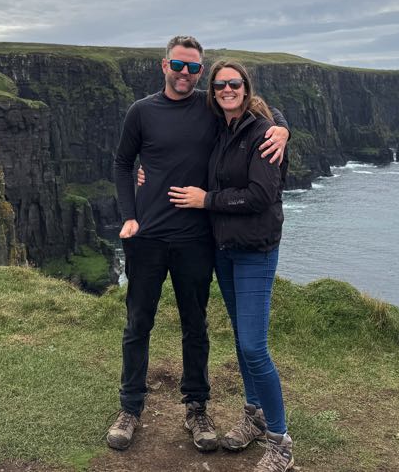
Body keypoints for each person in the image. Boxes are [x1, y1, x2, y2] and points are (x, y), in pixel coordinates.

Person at [107, 36, 289, 453]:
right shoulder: (142, 111)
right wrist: (129, 215)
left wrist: (283, 129)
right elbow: (122, 162)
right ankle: (130, 408)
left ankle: (197, 408)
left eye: (193, 68)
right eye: (178, 65)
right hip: (149, 235)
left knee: (195, 326)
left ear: (201, 72)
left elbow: (257, 110)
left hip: (197, 238)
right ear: (164, 65)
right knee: (138, 325)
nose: (185, 73)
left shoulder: (211, 107)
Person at [168, 60, 294, 472]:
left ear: (246, 87)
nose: (226, 90)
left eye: (234, 84)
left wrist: (206, 200)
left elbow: (260, 195)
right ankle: (254, 416)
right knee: (242, 340)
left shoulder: (262, 132)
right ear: (214, 91)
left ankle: (280, 442)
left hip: (255, 249)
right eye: (220, 84)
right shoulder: (219, 127)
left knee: (255, 347)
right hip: (225, 249)